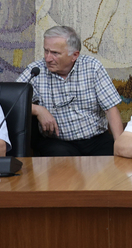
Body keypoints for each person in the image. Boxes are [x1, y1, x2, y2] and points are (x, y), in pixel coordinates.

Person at [19, 25, 123, 157]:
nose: (48, 58)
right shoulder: (35, 71)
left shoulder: (92, 67)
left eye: (55, 53)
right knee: (61, 161)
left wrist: (121, 145)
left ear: (74, 55)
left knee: (112, 162)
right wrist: (38, 110)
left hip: (96, 140)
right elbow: (13, 102)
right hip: (57, 142)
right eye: (46, 51)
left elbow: (110, 109)